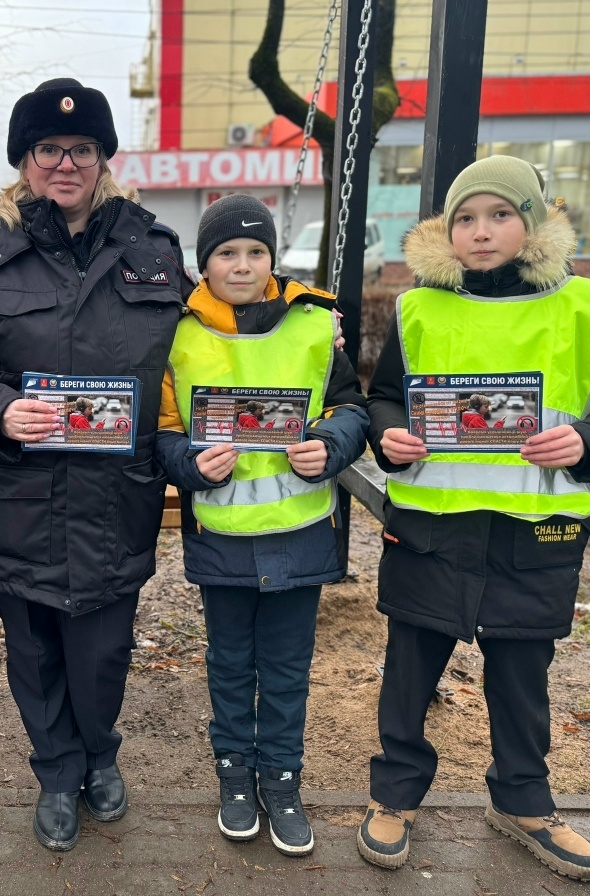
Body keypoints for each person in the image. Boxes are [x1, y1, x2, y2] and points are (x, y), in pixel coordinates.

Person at [0, 78, 193, 852]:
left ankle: (101, 753)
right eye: (48, 150)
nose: (66, 163)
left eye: (83, 149)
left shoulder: (154, 252)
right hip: (15, 494)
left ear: (103, 159)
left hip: (112, 496)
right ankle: (58, 771)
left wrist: (300, 331)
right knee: (33, 652)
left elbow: (207, 347)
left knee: (103, 653)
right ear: (24, 159)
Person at [356, 156, 590, 881]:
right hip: (434, 522)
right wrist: (388, 436)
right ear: (446, 231)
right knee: (410, 668)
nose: (481, 232)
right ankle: (393, 796)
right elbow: (387, 397)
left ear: (534, 221)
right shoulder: (416, 307)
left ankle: (524, 801)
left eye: (499, 215)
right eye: (465, 218)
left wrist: (586, 441)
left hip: (535, 528)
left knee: (522, 672)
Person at [153, 195, 368, 855]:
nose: (241, 265)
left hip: (301, 533)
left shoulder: (315, 323)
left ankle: (281, 778)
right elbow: (162, 432)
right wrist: (188, 462)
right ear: (205, 263)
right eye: (226, 253)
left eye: (255, 252)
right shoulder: (176, 331)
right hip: (222, 535)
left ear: (272, 258)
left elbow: (352, 406)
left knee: (286, 666)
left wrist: (329, 443)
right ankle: (234, 777)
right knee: (228, 662)